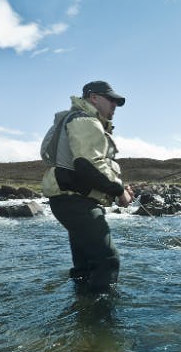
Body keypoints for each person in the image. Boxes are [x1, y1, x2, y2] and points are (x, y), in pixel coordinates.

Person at [42, 80, 134, 293]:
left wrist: (118, 187)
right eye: (111, 99)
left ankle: (81, 311)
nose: (114, 105)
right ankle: (101, 323)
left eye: (117, 102)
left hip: (68, 200)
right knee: (107, 261)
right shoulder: (85, 121)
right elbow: (87, 164)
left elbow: (87, 168)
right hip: (76, 203)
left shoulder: (77, 119)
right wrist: (119, 191)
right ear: (93, 98)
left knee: (84, 266)